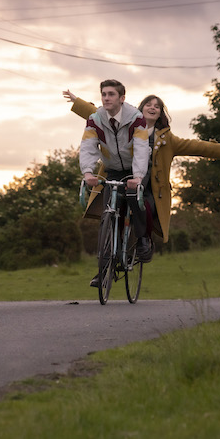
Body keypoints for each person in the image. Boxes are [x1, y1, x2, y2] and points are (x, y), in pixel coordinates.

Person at [65, 89, 220, 247]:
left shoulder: (167, 140)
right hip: (119, 180)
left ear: (160, 114)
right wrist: (77, 102)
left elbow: (196, 146)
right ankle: (106, 262)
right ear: (140, 109)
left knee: (142, 206)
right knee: (110, 214)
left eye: (157, 107)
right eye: (148, 105)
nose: (152, 108)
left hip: (148, 190)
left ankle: (143, 241)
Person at [78, 79, 151, 287]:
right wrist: (87, 172)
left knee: (133, 198)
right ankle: (102, 272)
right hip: (112, 169)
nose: (106, 98)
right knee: (108, 213)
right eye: (104, 94)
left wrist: (137, 176)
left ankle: (143, 240)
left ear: (122, 98)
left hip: (135, 168)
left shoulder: (136, 119)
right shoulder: (95, 119)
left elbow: (141, 148)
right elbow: (88, 147)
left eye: (111, 94)